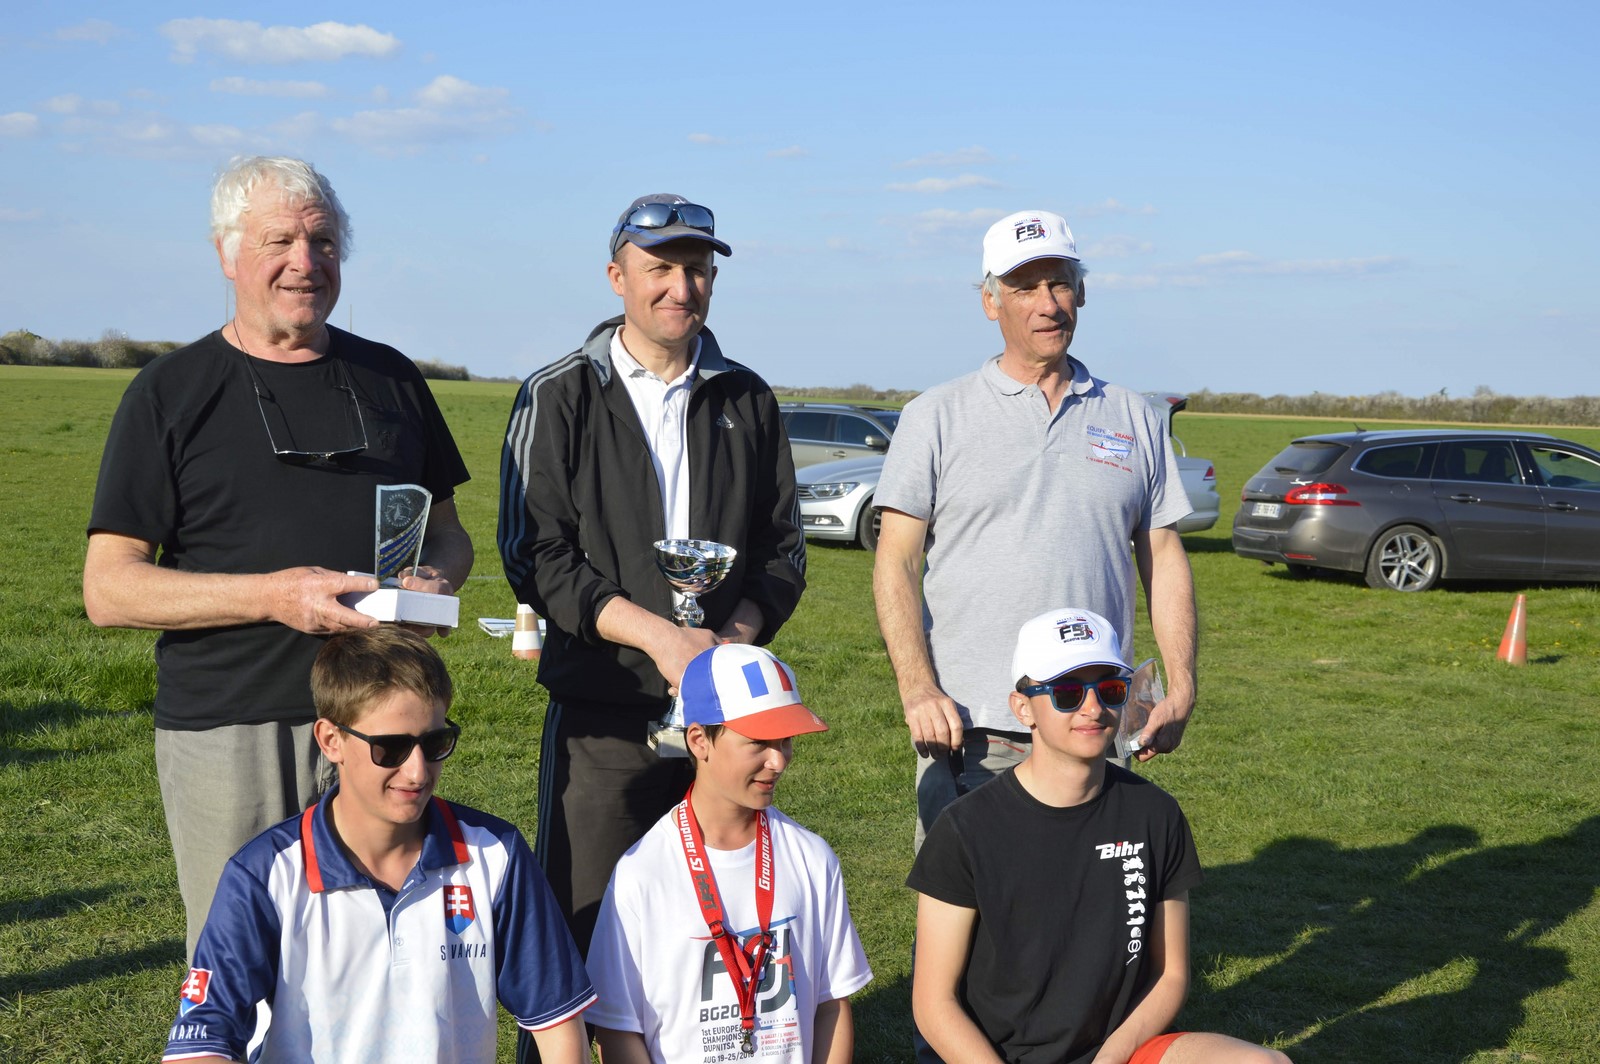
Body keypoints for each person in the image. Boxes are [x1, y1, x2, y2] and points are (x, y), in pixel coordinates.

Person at [84, 155, 473, 959]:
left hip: (381, 724)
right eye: (280, 241)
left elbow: (449, 532)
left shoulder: (391, 379)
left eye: (323, 242)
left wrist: (436, 578)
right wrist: (273, 597)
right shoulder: (170, 391)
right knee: (245, 959)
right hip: (234, 725)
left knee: (374, 952)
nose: (306, 262)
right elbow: (110, 588)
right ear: (228, 254)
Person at [497, 194, 806, 960]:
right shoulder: (559, 392)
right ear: (618, 277)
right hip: (603, 717)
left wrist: (722, 647)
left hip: (724, 726)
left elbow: (782, 555)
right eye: (660, 268)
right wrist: (662, 641)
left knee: (714, 939)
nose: (680, 287)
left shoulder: (748, 398)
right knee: (585, 932)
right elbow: (534, 554)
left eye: (696, 269)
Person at [873, 209, 1198, 852]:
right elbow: (897, 561)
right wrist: (917, 687)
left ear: (1082, 293)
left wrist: (1182, 685)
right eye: (1025, 288)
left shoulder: (1134, 416)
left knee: (1094, 907)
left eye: (1060, 284)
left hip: (1095, 722)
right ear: (990, 302)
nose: (1048, 304)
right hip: (972, 731)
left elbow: (1163, 556)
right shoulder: (934, 415)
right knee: (968, 909)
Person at [161, 627, 594, 1063]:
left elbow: (558, 1023)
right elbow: (202, 1043)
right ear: (331, 741)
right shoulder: (265, 874)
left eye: (435, 743)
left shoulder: (496, 855)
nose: (418, 772)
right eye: (391, 748)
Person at [908, 608, 1291, 1064]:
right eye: (1067, 692)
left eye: (1109, 689)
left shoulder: (1156, 814)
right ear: (1023, 707)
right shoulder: (965, 828)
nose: (1092, 708)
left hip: (1119, 1053)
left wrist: (1112, 1057)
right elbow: (933, 1003)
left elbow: (1170, 975)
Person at [587, 642, 872, 1064]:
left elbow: (831, 1003)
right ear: (699, 740)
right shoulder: (643, 873)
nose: (778, 760)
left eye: (785, 740)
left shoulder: (812, 858)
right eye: (758, 742)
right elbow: (616, 1027)